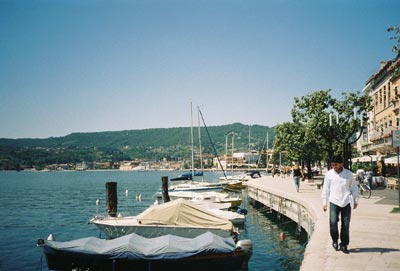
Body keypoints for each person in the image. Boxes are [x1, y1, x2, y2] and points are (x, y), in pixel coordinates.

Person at [322, 155, 358, 254]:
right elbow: (326, 189)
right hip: (334, 201)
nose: (334, 166)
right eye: (332, 165)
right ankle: (334, 240)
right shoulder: (329, 174)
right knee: (333, 222)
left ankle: (344, 244)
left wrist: (356, 200)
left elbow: (354, 188)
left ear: (341, 164)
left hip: (346, 201)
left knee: (345, 225)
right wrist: (324, 202)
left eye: (336, 164)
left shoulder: (348, 174)